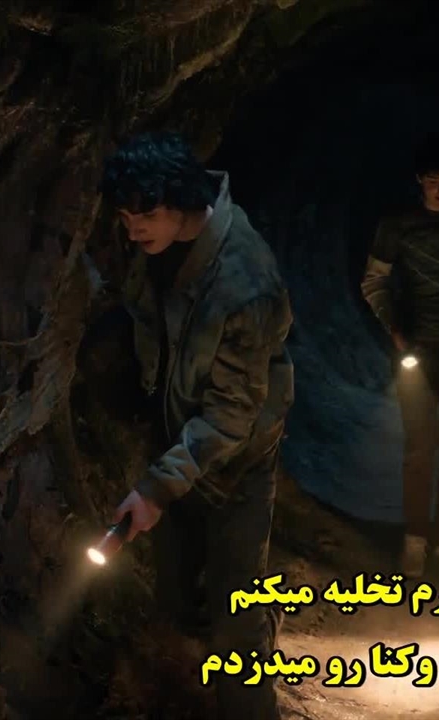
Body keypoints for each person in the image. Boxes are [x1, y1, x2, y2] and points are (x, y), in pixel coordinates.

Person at [99, 131, 295, 720]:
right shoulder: (153, 245)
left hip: (238, 460)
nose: (134, 229)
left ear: (183, 200)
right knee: (177, 601)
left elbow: (233, 414)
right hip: (176, 437)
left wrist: (157, 487)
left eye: (146, 215)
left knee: (236, 616)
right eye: (125, 217)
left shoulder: (244, 283)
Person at [360, 132, 439, 577]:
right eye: (434, 180)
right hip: (419, 348)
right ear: (419, 180)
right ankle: (415, 540)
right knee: (419, 447)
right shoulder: (398, 225)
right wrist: (394, 327)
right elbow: (373, 280)